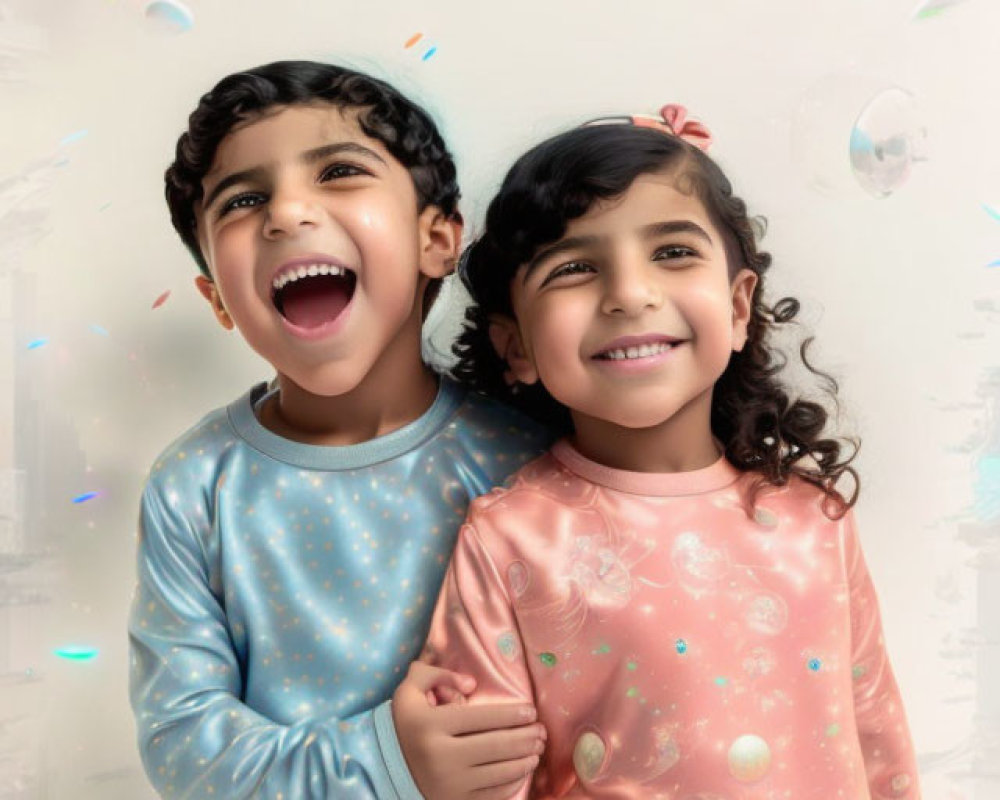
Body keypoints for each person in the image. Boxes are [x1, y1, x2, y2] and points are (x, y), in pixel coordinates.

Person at [421, 105, 921, 798]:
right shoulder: (509, 539)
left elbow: (878, 739)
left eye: (673, 252)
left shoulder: (817, 522)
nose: (629, 294)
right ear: (517, 346)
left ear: (740, 307)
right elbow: (479, 778)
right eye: (573, 268)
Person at [128, 60, 550, 800]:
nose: (286, 214)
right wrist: (386, 761)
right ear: (218, 297)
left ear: (439, 240)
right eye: (245, 199)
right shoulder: (193, 487)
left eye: (340, 172)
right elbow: (181, 743)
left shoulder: (529, 461)